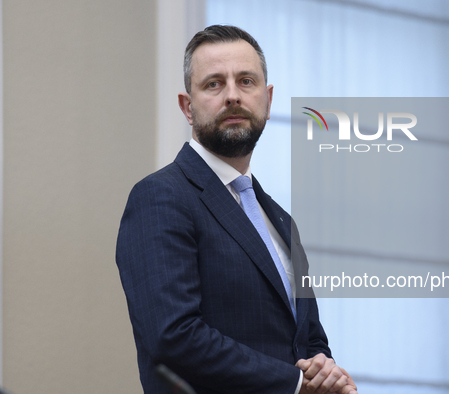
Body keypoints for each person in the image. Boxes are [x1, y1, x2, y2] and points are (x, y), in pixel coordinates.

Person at [116, 25, 357, 394]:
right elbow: (173, 336)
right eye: (213, 84)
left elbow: (307, 341)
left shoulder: (280, 221)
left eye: (246, 81)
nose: (232, 96)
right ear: (187, 107)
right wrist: (294, 383)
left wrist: (326, 372)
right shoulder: (161, 197)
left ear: (268, 99)